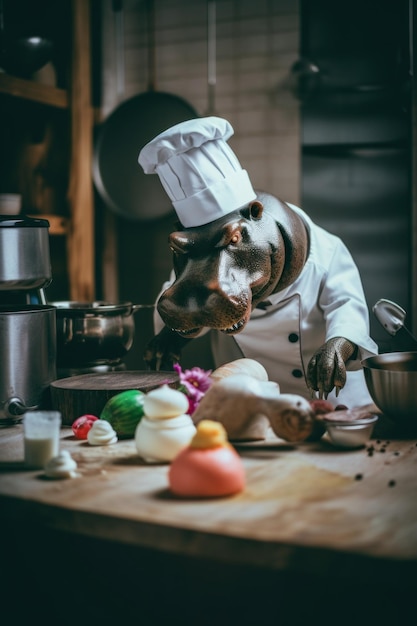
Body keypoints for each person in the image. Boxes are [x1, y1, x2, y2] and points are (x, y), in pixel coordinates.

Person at [138, 116, 378, 407]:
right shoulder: (195, 255)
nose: (212, 274)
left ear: (256, 213)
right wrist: (174, 334)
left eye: (232, 241)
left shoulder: (324, 250)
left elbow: (347, 306)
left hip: (332, 403)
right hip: (250, 411)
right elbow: (192, 298)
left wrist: (338, 344)